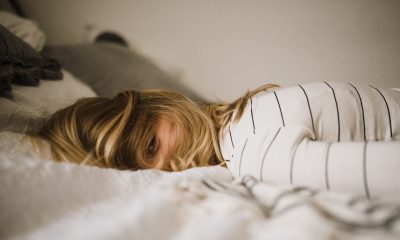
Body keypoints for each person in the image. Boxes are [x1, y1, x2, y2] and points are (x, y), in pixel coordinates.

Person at [35, 82, 400, 197]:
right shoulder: (246, 115)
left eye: (150, 146)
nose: (162, 170)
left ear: (163, 104)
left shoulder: (254, 151)